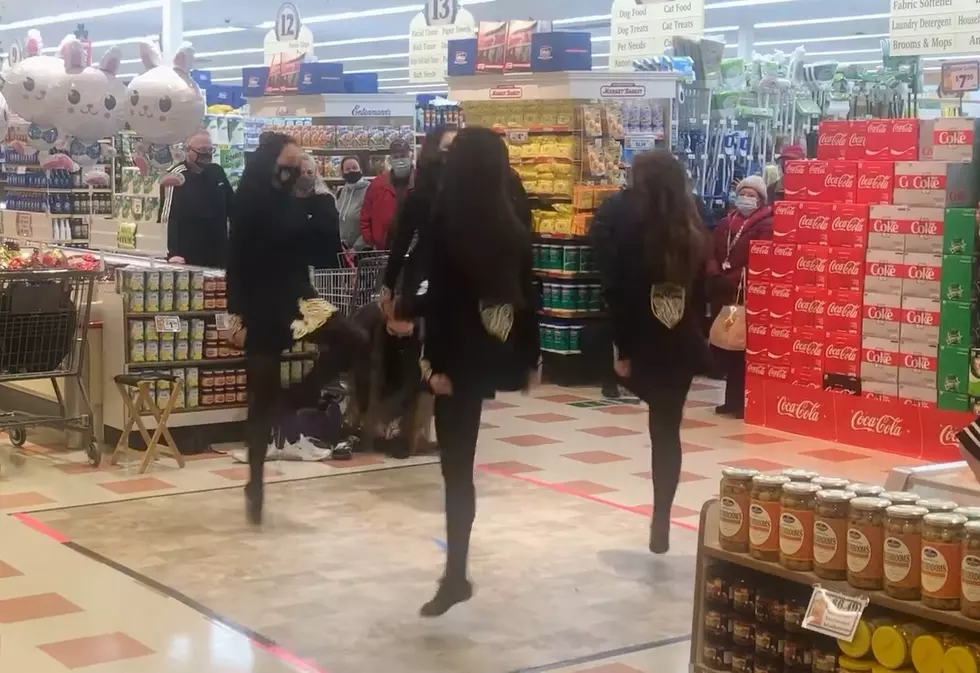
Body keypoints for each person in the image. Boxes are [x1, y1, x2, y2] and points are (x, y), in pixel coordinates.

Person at [408, 127, 539, 617]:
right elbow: (527, 291)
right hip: (493, 349)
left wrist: (434, 363)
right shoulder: (513, 219)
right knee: (460, 467)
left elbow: (440, 300)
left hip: (456, 355)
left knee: (457, 468)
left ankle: (457, 574)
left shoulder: (447, 220)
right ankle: (456, 573)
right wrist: (529, 355)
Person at [226, 133, 368, 525]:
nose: (291, 174)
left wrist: (321, 201)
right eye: (287, 166)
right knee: (261, 401)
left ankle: (301, 394)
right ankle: (255, 482)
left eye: (298, 167)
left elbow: (321, 250)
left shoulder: (299, 199)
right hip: (261, 308)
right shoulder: (250, 200)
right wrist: (233, 316)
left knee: (354, 339)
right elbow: (235, 261)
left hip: (300, 298)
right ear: (272, 164)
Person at [590, 149, 710, 555]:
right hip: (680, 339)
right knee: (666, 430)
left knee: (652, 412)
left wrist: (620, 348)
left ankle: (659, 521)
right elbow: (702, 286)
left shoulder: (620, 215)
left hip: (639, 337)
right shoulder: (691, 218)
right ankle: (662, 519)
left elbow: (615, 288)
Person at [708, 175, 773, 419]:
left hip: (746, 294)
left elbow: (761, 255)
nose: (745, 198)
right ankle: (730, 400)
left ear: (760, 199)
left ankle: (744, 401)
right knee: (726, 343)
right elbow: (712, 250)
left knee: (743, 347)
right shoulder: (726, 222)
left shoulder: (766, 224)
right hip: (724, 293)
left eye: (751, 195)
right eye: (742, 193)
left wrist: (735, 276)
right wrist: (715, 272)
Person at [160, 130, 234, 267]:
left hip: (219, 253)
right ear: (188, 150)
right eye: (202, 150)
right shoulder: (176, 176)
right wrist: (173, 253)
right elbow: (168, 216)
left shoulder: (217, 172)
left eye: (210, 149)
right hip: (188, 255)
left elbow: (233, 208)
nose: (207, 153)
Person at [359, 138, 414, 249]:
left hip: (415, 248)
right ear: (390, 160)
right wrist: (371, 240)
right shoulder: (377, 184)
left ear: (410, 157)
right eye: (396, 157)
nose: (400, 161)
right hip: (385, 248)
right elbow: (365, 217)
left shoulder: (422, 182)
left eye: (403, 156)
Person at [297, 153, 343, 268]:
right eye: (301, 172)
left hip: (323, 265)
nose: (305, 176)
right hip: (296, 266)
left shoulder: (325, 199)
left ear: (315, 174)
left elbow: (331, 232)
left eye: (309, 172)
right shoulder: (287, 199)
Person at [336, 156, 370, 250]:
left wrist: (357, 247)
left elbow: (372, 224)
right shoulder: (341, 192)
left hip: (363, 249)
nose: (351, 171)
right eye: (347, 169)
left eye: (354, 168)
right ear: (343, 173)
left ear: (361, 170)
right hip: (344, 249)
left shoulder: (370, 190)